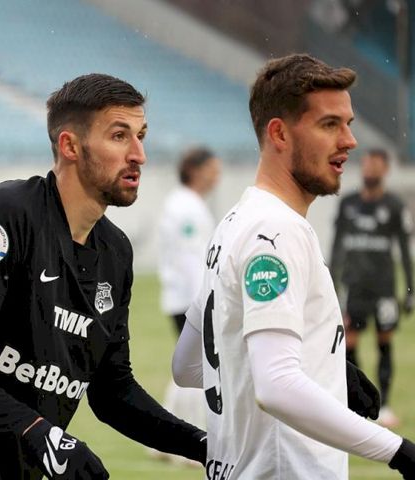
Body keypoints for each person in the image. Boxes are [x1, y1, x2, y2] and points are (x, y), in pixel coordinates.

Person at [0, 73, 207, 480]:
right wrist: (40, 432)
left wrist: (204, 446)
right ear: (70, 146)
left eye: (141, 136)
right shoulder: (7, 215)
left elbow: (112, 391)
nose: (139, 154)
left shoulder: (116, 252)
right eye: (119, 136)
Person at [172, 53, 415, 479]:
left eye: (348, 124)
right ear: (279, 133)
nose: (349, 141)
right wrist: (399, 451)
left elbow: (188, 365)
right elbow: (277, 386)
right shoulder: (276, 230)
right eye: (329, 125)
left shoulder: (235, 222)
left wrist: (324, 370)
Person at [330, 147, 413, 428]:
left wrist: (410, 290)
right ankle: (361, 405)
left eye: (375, 165)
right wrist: (333, 282)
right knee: (349, 345)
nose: (369, 170)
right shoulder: (348, 204)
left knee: (384, 342)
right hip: (354, 287)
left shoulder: (394, 206)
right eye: (366, 165)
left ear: (385, 169)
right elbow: (337, 246)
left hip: (384, 289)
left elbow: (404, 250)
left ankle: (385, 405)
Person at [153, 147, 220, 462]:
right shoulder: (186, 208)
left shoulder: (186, 203)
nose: (217, 175)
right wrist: (204, 303)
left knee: (186, 370)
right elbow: (191, 260)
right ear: (194, 169)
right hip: (189, 300)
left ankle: (161, 441)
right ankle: (185, 446)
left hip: (182, 297)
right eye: (212, 169)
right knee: (197, 370)